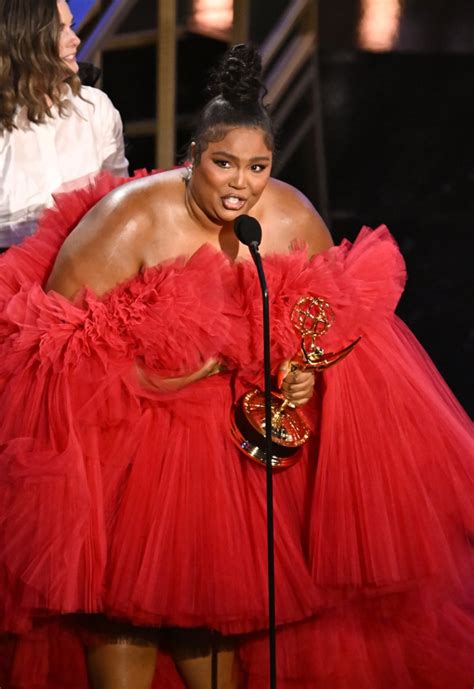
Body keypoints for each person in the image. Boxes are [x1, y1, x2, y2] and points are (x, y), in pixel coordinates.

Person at [0, 43, 472, 689]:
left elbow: (336, 316)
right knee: (121, 618)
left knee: (209, 616)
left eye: (257, 166)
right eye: (223, 164)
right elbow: (47, 349)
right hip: (121, 448)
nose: (240, 184)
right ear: (193, 158)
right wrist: (168, 374)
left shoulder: (288, 216)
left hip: (234, 455)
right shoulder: (131, 220)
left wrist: (308, 371)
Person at [0, 0, 129, 248]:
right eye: (60, 29)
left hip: (86, 265)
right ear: (24, 39)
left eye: (72, 26)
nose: (75, 39)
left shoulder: (95, 109)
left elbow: (119, 201)